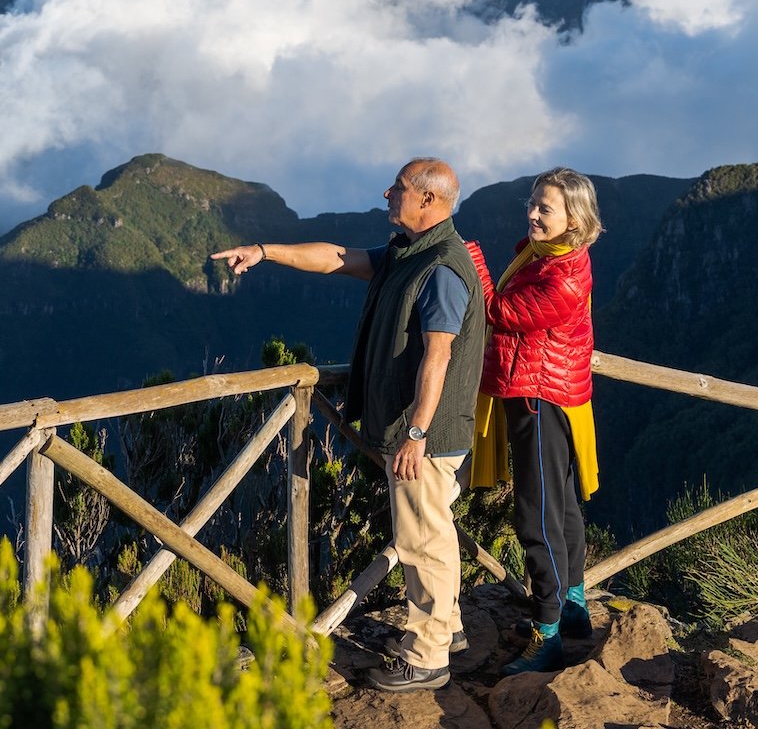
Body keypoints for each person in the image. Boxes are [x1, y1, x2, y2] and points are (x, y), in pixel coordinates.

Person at [212, 157, 490, 694]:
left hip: (425, 436)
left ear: (429, 201)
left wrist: (415, 433)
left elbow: (439, 359)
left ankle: (427, 656)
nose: (388, 193)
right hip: (421, 431)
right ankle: (447, 630)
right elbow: (337, 259)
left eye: (400, 188)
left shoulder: (443, 270)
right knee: (432, 529)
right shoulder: (408, 254)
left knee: (420, 539)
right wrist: (266, 251)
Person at [480, 166, 602, 674]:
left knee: (538, 513)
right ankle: (573, 607)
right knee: (562, 505)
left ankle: (547, 633)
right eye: (531, 203)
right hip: (551, 393)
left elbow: (500, 312)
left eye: (544, 208)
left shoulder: (564, 275)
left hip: (539, 397)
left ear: (573, 218)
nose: (532, 213)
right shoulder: (549, 257)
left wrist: (472, 262)